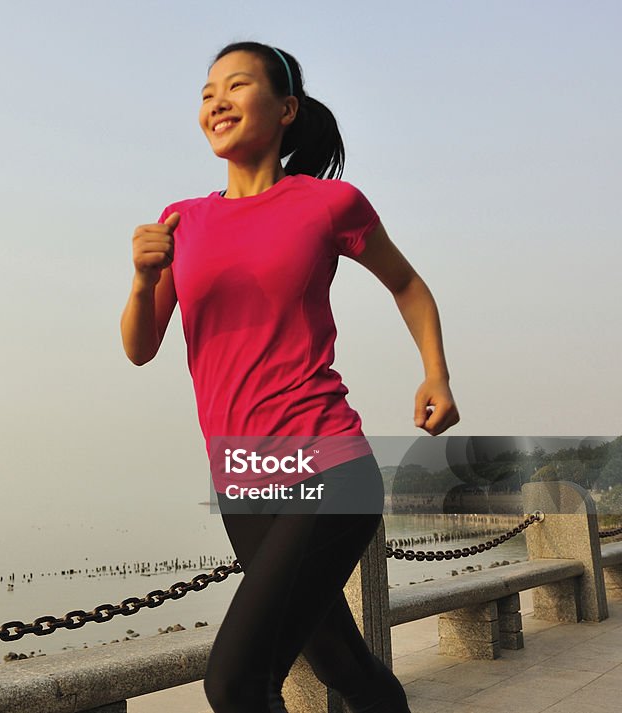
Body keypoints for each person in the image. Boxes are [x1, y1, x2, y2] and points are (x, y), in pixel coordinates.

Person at [120, 41, 460, 713]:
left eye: (236, 85)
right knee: (344, 663)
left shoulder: (329, 203)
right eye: (206, 91)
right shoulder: (180, 221)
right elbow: (140, 347)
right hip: (241, 473)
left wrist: (436, 375)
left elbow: (408, 284)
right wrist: (143, 279)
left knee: (235, 682)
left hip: (327, 462)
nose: (215, 99)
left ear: (285, 109)